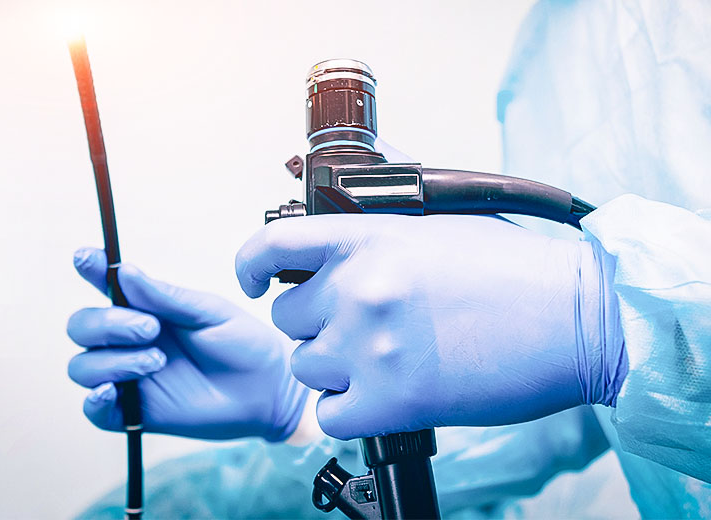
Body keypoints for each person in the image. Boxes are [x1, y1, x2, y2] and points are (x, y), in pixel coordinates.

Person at [67, 0, 711, 516]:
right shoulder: (539, 64)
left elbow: (592, 349)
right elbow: (568, 411)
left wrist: (609, 321)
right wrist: (296, 410)